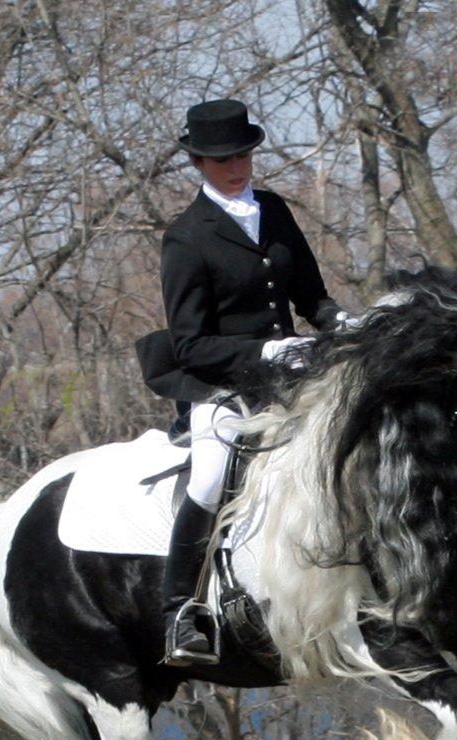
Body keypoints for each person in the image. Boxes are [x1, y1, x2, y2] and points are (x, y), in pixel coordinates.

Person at [142, 98, 342, 666]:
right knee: (209, 475)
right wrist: (268, 348)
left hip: (295, 375)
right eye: (223, 159)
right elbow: (189, 343)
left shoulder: (273, 210)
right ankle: (180, 610)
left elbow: (313, 298)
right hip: (222, 384)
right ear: (199, 164)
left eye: (244, 155)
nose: (237, 167)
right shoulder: (186, 237)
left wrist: (343, 323)